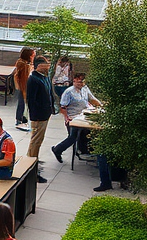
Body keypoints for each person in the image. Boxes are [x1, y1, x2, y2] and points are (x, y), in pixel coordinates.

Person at [51, 72, 103, 164]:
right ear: (74, 81)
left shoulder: (85, 89)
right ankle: (57, 150)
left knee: (88, 132)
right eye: (78, 82)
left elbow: (92, 99)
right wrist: (67, 118)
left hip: (84, 114)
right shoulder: (69, 92)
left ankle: (84, 151)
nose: (81, 84)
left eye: (82, 82)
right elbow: (62, 108)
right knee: (73, 137)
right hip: (73, 117)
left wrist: (101, 106)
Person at [25, 55, 52, 184]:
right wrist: (35, 116)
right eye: (46, 65)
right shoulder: (33, 80)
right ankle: (30, 168)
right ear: (39, 66)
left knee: (38, 141)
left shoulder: (44, 77)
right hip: (39, 116)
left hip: (45, 114)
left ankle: (33, 162)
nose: (48, 67)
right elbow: (31, 100)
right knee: (35, 142)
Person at [13, 47, 34, 131]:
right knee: (22, 103)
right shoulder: (22, 64)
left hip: (25, 86)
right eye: (32, 55)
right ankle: (20, 120)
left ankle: (23, 120)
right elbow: (23, 77)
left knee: (24, 103)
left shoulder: (26, 64)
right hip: (23, 86)